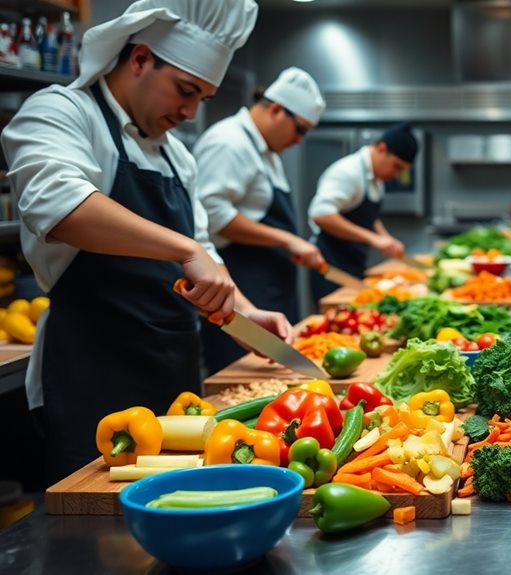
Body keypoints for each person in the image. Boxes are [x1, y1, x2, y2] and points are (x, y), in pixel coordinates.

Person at [0, 0, 292, 484]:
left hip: (175, 378)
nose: (189, 110)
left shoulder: (179, 156)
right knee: (99, 544)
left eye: (202, 98)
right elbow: (59, 205)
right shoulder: (62, 111)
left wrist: (242, 313)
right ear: (139, 59)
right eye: (184, 90)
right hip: (91, 379)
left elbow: (203, 246)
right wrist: (185, 250)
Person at [194, 67, 325, 373]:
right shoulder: (229, 142)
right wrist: (287, 239)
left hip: (269, 292)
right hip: (242, 291)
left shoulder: (265, 152)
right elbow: (211, 216)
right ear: (278, 110)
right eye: (300, 130)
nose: (299, 141)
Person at [308, 122, 416, 303]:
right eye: (396, 166)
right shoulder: (348, 172)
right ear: (382, 149)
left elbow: (368, 217)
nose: (396, 174)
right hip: (331, 266)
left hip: (354, 262)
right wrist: (373, 238)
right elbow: (321, 214)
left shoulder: (377, 178)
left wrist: (385, 238)